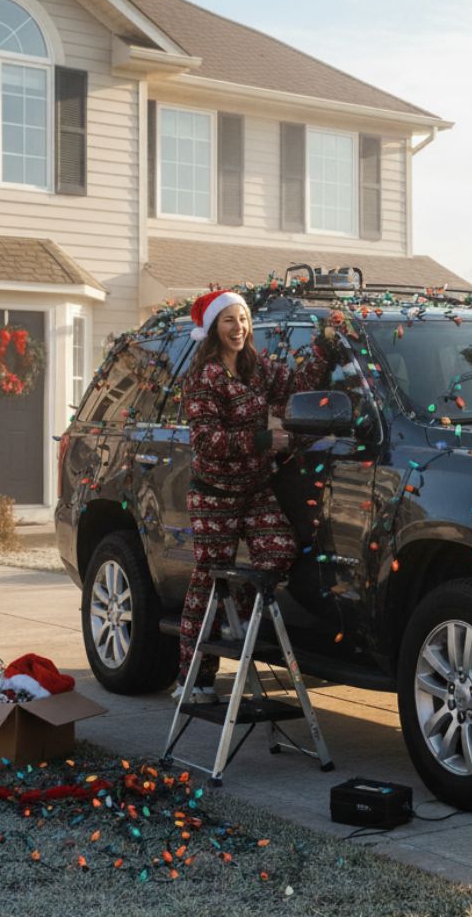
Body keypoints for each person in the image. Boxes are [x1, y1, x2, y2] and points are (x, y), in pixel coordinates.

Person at [176, 289, 340, 703]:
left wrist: (324, 344)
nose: (239, 328)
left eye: (243, 319)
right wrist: (265, 439)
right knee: (210, 581)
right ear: (214, 326)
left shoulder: (257, 367)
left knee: (279, 551)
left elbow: (300, 384)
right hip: (214, 494)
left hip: (254, 488)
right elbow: (207, 440)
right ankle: (194, 679)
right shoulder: (203, 377)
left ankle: (239, 615)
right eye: (229, 320)